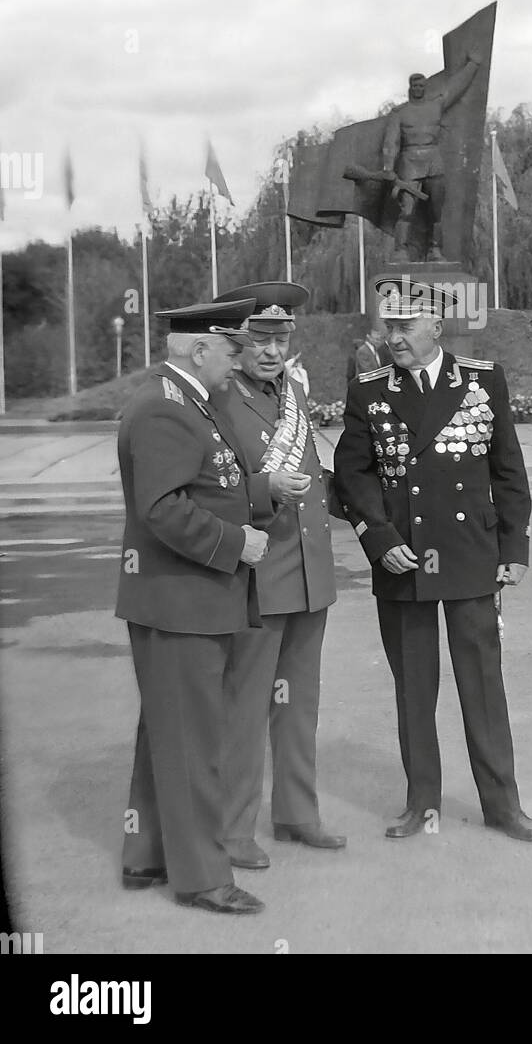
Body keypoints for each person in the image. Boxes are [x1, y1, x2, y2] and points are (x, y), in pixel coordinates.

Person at [334, 275, 532, 843]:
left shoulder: (482, 380)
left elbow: (507, 468)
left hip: (469, 557)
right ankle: (421, 803)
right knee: (414, 690)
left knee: (483, 686)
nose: (394, 337)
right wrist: (378, 540)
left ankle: (502, 805)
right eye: (388, 326)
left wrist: (514, 547)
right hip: (402, 561)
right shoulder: (369, 390)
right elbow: (353, 475)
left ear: (435, 325)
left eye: (404, 326)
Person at [116, 299, 288, 915]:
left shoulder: (187, 401)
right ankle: (203, 877)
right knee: (194, 741)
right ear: (199, 348)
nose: (240, 357)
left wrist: (260, 495)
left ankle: (148, 855)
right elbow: (162, 507)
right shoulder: (166, 406)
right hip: (180, 600)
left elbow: (212, 482)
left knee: (166, 730)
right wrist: (237, 542)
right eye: (232, 347)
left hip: (184, 598)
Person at [217, 282, 345, 864]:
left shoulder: (292, 390)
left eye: (281, 337)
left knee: (300, 705)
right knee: (245, 709)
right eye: (260, 338)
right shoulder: (218, 395)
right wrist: (260, 489)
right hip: (258, 578)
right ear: (236, 339)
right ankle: (233, 829)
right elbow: (207, 488)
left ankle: (297, 814)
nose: (271, 350)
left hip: (308, 573)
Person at [382, 53, 483, 260]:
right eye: (415, 86)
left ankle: (435, 249)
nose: (418, 89)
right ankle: (401, 250)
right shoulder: (399, 113)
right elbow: (391, 143)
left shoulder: (435, 106)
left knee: (437, 212)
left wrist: (473, 65)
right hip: (409, 163)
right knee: (407, 210)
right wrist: (388, 169)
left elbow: (456, 88)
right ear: (410, 88)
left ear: (425, 88)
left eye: (421, 86)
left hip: (434, 163)